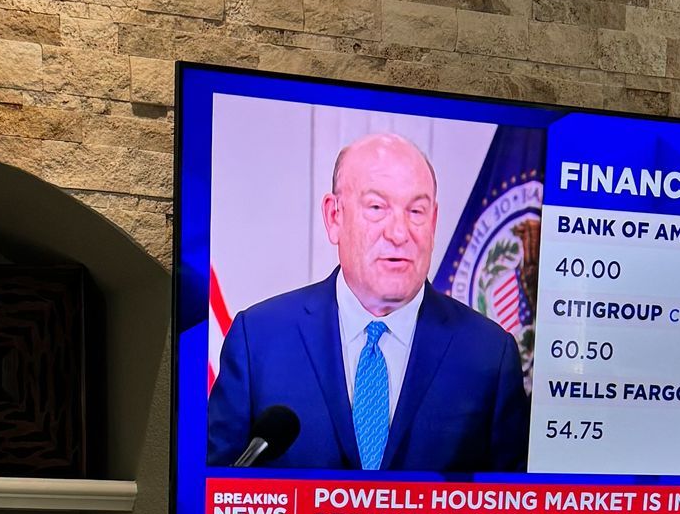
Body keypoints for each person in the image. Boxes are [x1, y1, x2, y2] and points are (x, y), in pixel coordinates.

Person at [207, 132, 530, 472]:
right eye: (377, 208)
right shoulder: (258, 339)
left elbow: (512, 513)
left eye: (416, 211)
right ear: (335, 217)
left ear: (433, 222)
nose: (399, 233)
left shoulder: (490, 354)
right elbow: (212, 498)